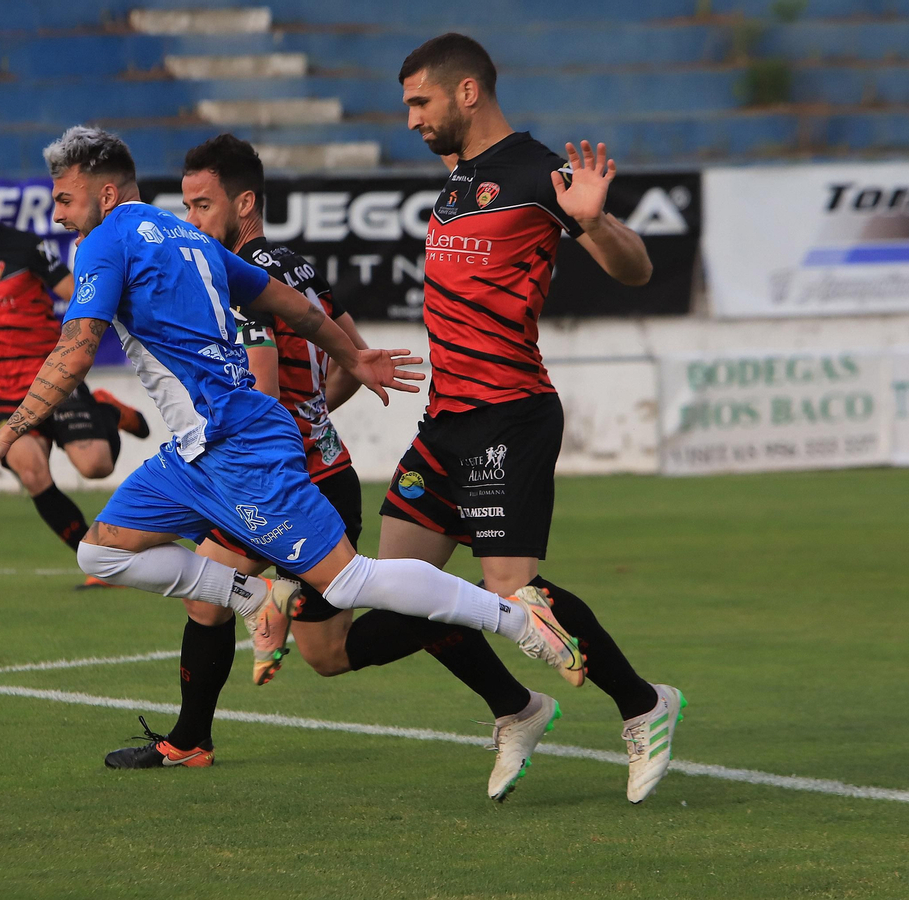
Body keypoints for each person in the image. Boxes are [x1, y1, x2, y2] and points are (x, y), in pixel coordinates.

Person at [0, 125, 590, 779]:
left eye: (63, 199)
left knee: (349, 580)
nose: (58, 215)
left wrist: (3, 437)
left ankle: (513, 618)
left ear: (105, 192)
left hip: (240, 443)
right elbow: (293, 306)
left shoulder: (106, 242)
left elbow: (76, 347)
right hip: (195, 452)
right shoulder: (183, 237)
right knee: (101, 550)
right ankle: (250, 600)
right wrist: (355, 356)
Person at [389, 32, 684, 803]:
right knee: (402, 589)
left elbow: (637, 268)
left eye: (420, 102)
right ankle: (515, 709)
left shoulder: (536, 171)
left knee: (515, 590)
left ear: (467, 93)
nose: (411, 119)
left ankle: (644, 704)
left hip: (509, 413)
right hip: (445, 420)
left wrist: (591, 222)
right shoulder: (457, 183)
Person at [0, 163, 150, 564]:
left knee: (95, 467)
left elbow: (78, 291)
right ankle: (95, 560)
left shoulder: (24, 247)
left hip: (51, 376)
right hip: (4, 390)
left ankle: (105, 409)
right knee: (32, 474)